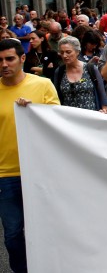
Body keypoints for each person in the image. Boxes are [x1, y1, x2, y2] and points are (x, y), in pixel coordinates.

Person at [0, 38, 59, 273]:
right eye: (0, 60)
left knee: (45, 230)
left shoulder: (43, 85)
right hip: (6, 175)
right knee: (13, 235)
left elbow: (57, 122)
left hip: (39, 172)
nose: (4, 64)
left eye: (10, 59)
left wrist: (35, 111)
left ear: (22, 59)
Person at [51, 36, 107, 112]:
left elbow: (101, 92)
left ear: (77, 51)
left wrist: (104, 107)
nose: (64, 56)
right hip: (67, 119)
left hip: (91, 117)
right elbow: (56, 96)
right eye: (62, 53)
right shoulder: (59, 72)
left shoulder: (90, 69)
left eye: (68, 52)